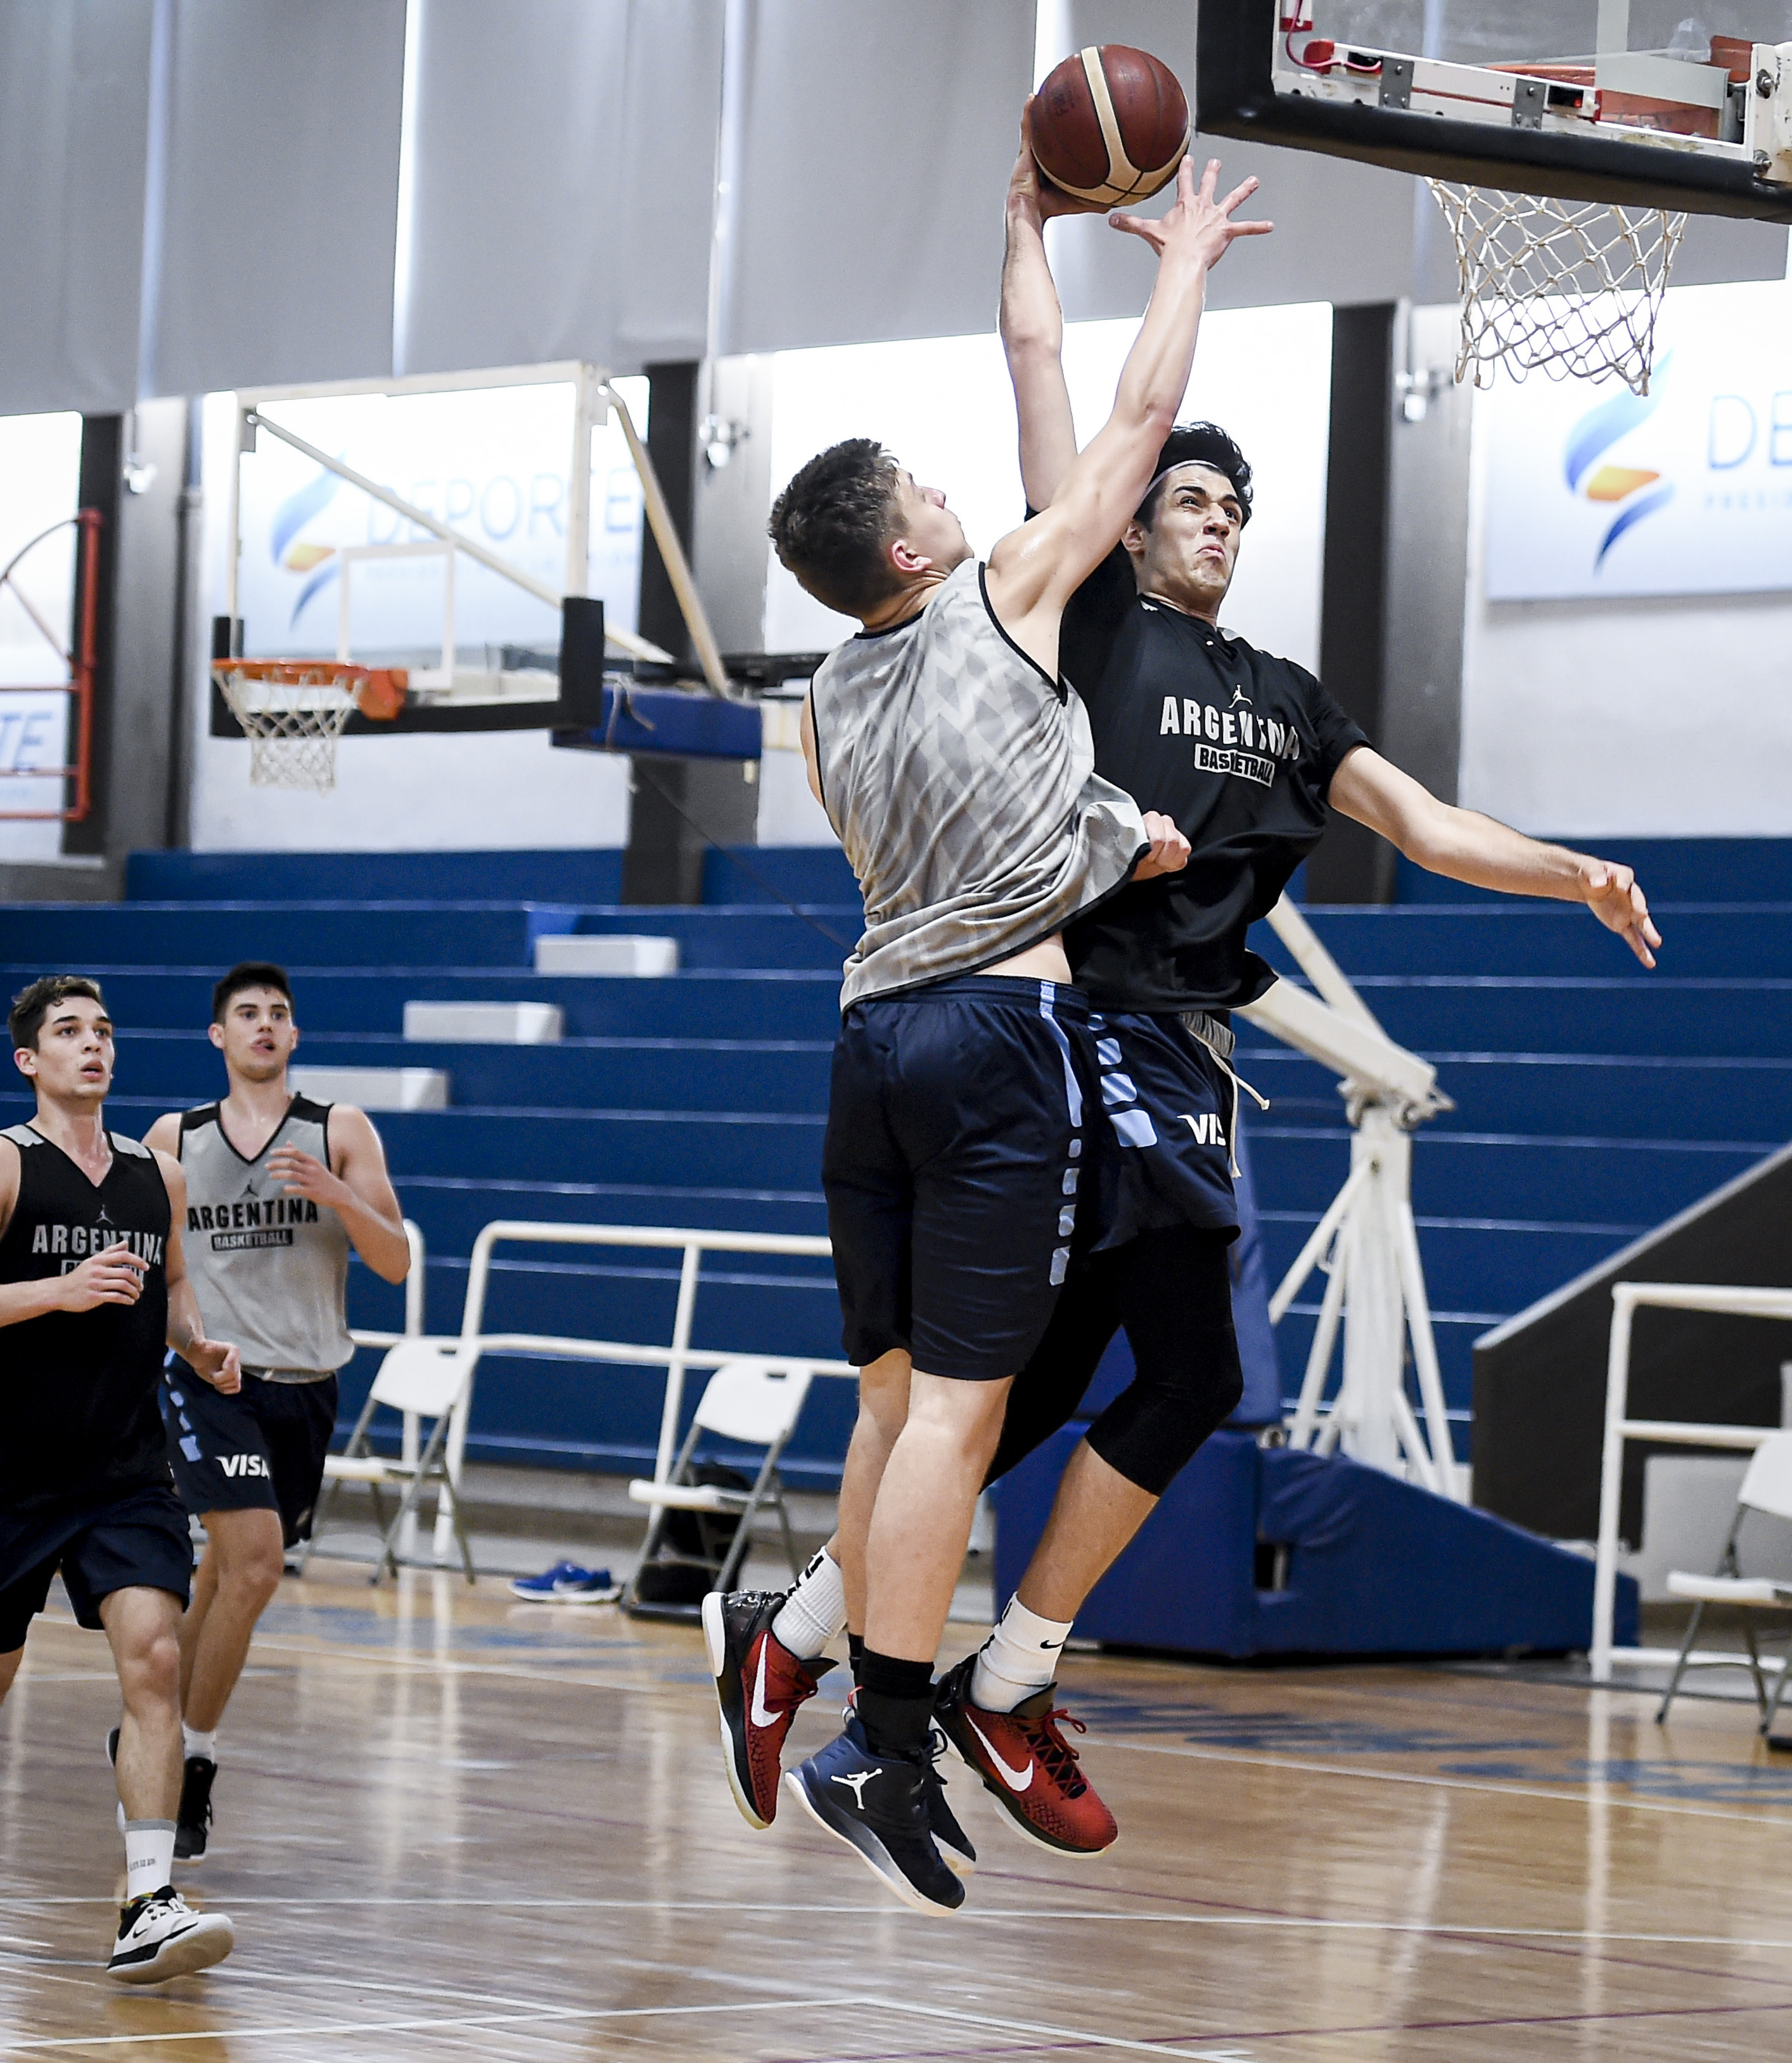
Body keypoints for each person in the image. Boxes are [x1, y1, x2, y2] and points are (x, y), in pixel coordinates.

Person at [708, 127, 1662, 1860]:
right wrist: (1165, 260)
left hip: (1087, 1046)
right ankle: (930, 1688)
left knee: (1086, 1386)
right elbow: (1058, 398)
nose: (1209, 520)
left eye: (1235, 508)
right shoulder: (1063, 618)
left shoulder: (1278, 693)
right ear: (1128, 536)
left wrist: (1573, 868)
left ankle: (860, 1654)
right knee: (1036, 1391)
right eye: (1187, 502)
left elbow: (1425, 822)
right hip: (1055, 1037)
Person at [736, 150, 1265, 1917]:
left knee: (898, 1414)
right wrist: (1177, 253)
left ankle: (829, 1678)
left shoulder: (820, 697)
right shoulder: (1004, 593)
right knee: (967, 1418)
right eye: (933, 492)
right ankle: (886, 1736)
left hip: (863, 1043)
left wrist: (1022, 233)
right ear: (910, 548)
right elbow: (1131, 404)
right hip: (990, 1039)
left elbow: (995, 811)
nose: (968, 496)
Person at [0, 976, 241, 1983]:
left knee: (155, 1658)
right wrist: (58, 1292)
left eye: (105, 1031)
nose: (94, 1046)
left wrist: (199, 1347)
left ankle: (148, 1901)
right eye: (69, 1032)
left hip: (125, 1473)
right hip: (9, 1478)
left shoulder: (154, 1175)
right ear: (29, 1060)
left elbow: (167, 1287)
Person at [141, 961, 410, 1860]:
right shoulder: (173, 1138)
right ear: (218, 1037)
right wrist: (183, 1345)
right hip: (212, 1374)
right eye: (247, 1014)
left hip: (308, 1384)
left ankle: (151, 1736)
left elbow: (397, 1262)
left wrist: (337, 1196)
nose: (265, 1025)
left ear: (295, 1037)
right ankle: (194, 1761)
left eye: (279, 1015)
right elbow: (152, 1275)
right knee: (253, 1567)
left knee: (230, 1570)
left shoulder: (339, 1131)